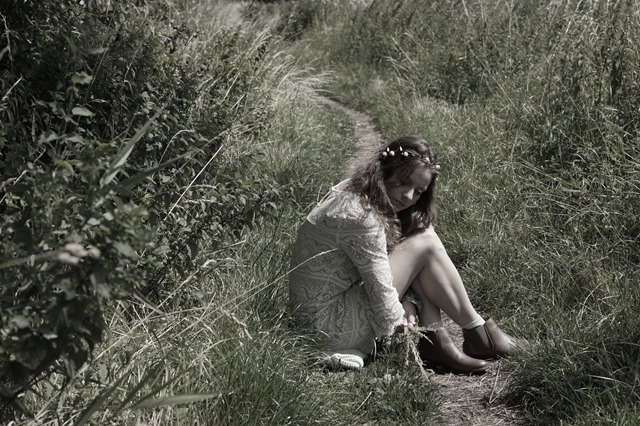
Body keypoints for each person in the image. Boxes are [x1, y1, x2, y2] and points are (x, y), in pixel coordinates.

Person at [288, 135, 514, 373]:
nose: (408, 197)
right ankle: (469, 335)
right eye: (404, 182)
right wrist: (408, 312)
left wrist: (409, 300)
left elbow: (380, 269)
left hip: (317, 318)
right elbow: (382, 295)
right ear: (386, 169)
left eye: (418, 192)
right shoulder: (362, 218)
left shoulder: (355, 192)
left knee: (420, 235)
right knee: (424, 242)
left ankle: (447, 340)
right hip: (330, 329)